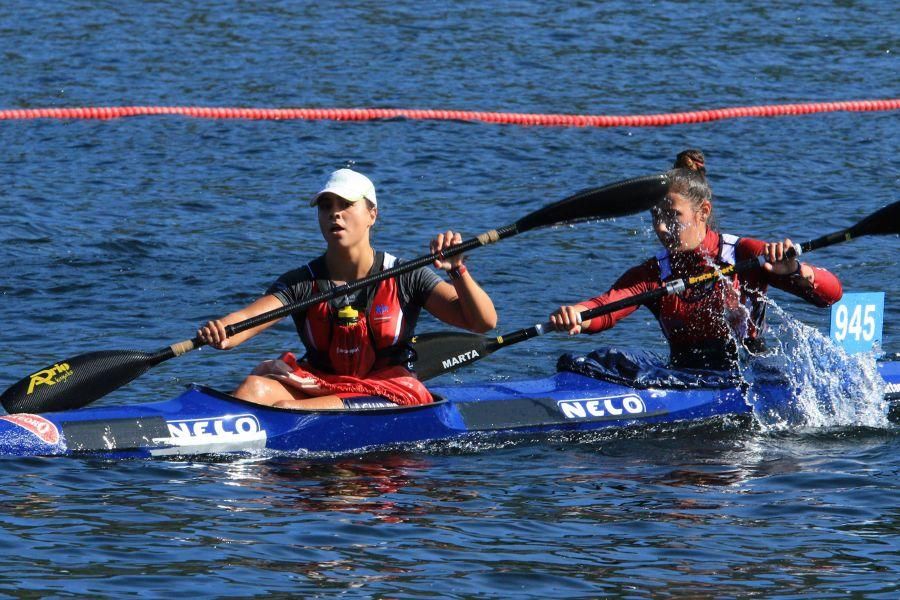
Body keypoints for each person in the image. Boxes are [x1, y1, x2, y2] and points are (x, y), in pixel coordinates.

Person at [198, 168, 497, 408]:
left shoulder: (406, 275)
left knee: (290, 409)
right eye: (326, 206)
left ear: (372, 215)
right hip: (322, 383)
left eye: (345, 205)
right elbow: (245, 321)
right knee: (254, 387)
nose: (334, 214)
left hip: (388, 391)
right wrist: (222, 331)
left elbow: (482, 322)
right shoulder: (301, 282)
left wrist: (457, 269)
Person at [549, 149, 843, 370]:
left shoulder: (744, 254)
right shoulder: (654, 272)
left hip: (750, 376)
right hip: (686, 376)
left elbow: (831, 295)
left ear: (703, 212)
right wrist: (578, 314)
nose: (662, 228)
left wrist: (795, 269)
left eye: (673, 216)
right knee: (595, 363)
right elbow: (608, 306)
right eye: (655, 217)